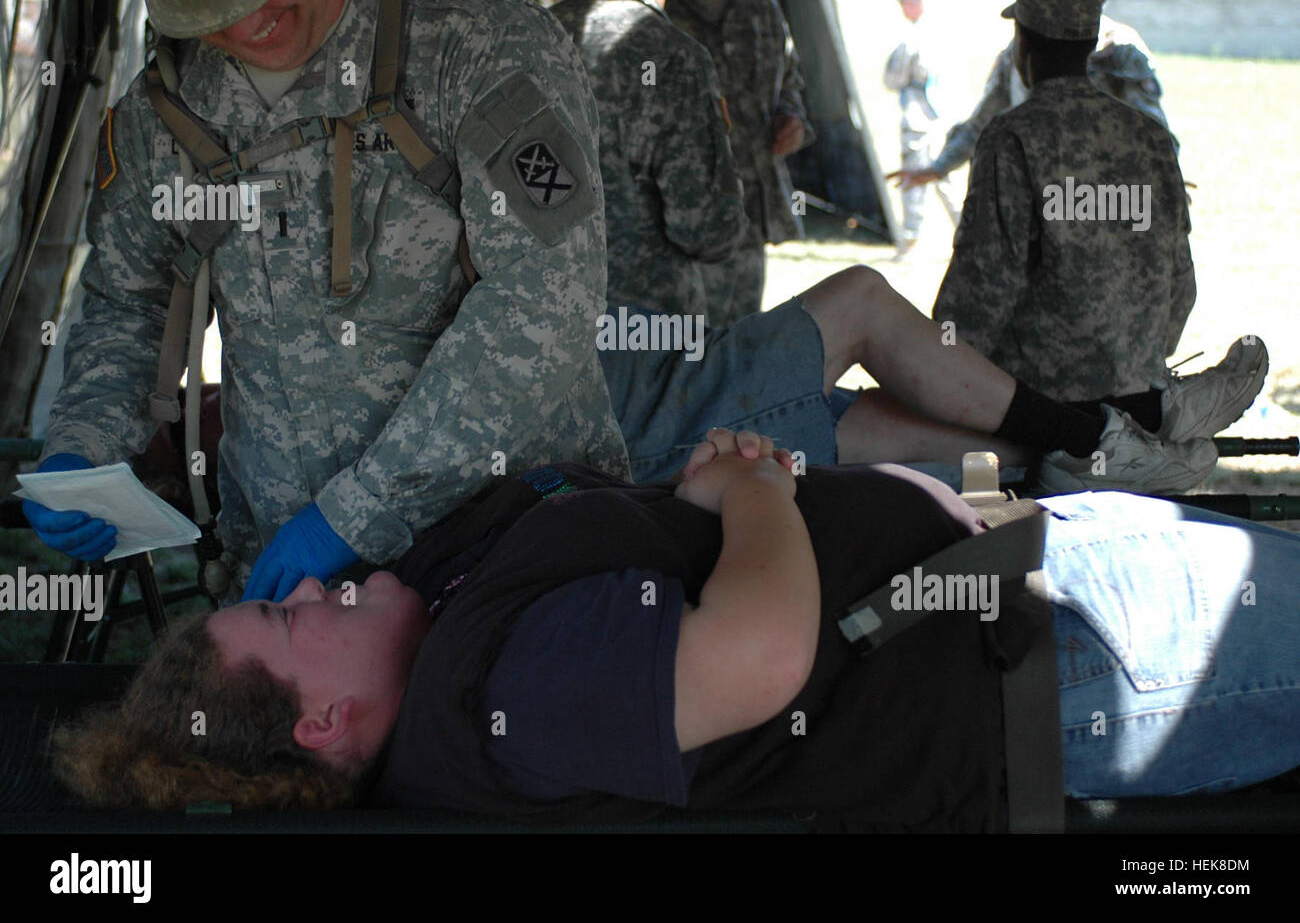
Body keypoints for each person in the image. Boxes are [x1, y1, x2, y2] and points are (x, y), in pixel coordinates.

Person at [54, 428, 1300, 830]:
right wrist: (753, 487)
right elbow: (754, 654)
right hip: (1073, 638)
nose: (319, 586)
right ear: (322, 720)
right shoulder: (505, 697)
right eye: (290, 611)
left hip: (1038, 590)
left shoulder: (442, 648)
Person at [21, 0, 630, 599]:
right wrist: (83, 445)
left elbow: (547, 296)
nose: (243, 26)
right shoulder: (167, 104)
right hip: (282, 580)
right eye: (207, 8)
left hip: (500, 557)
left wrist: (359, 512)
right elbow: (127, 297)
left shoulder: (478, 47)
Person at [602, 262, 1264, 494]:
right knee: (859, 300)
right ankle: (1115, 428)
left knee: (976, 446)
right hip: (656, 422)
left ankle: (1133, 424)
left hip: (664, 383)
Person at [931, 0, 1205, 484]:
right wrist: (1137, 361)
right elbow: (1181, 284)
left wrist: (935, 367)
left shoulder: (1014, 136)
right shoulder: (1151, 139)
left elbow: (980, 295)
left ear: (1023, 44)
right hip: (1138, 407)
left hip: (1037, 415)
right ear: (1088, 45)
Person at [550, 0, 749, 324]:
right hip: (645, 332)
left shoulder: (531, 35)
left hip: (539, 327)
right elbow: (707, 229)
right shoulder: (677, 59)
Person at [889, 0, 1171, 195]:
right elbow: (984, 121)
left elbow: (1153, 129)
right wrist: (939, 167)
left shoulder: (1118, 46)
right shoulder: (1019, 49)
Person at [664, 0, 815, 324]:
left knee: (740, 335)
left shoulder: (761, 9)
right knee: (679, 345)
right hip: (676, 219)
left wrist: (794, 120)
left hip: (750, 213)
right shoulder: (657, 10)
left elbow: (791, 83)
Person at [881, 0, 950, 258]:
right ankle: (965, 229)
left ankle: (908, 240)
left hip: (918, 116)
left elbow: (893, 79)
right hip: (943, 115)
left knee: (913, 176)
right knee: (945, 174)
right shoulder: (943, 34)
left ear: (914, 4)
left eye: (904, 5)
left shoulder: (912, 40)